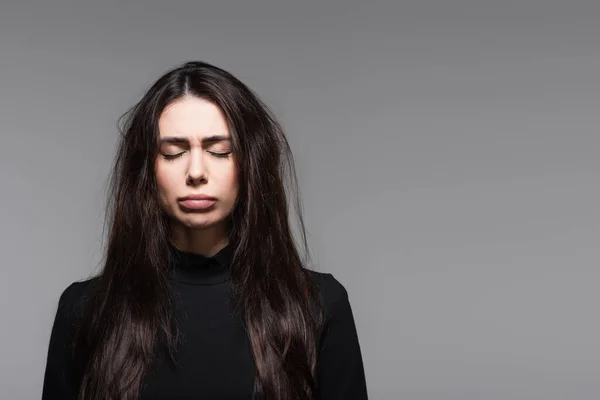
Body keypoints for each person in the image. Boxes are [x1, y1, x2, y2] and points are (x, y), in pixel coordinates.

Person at [41, 61, 368, 400]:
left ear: (250, 165)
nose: (196, 171)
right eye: (173, 153)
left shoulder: (318, 305)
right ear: (146, 172)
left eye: (219, 151)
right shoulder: (86, 310)